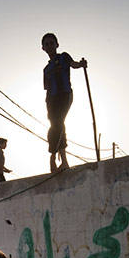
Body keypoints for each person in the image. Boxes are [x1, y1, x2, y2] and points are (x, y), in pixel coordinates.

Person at [41, 32, 87, 173]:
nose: (49, 46)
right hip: (51, 99)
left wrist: (81, 64)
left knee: (59, 122)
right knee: (53, 126)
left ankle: (62, 161)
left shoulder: (63, 57)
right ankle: (54, 155)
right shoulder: (46, 69)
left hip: (64, 95)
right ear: (43, 48)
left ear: (57, 45)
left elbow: (73, 65)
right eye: (46, 44)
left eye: (51, 43)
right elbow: (46, 87)